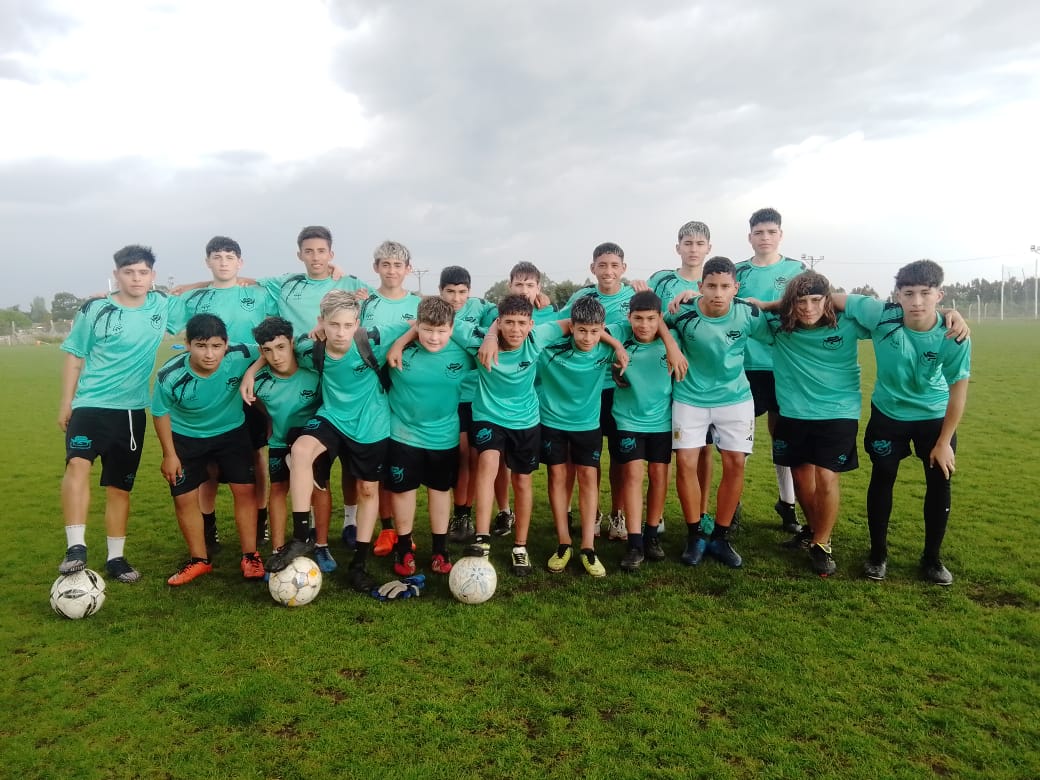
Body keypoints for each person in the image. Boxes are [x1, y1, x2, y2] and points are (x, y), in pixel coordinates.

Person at [257, 291, 405, 593]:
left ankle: (359, 564)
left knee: (367, 490)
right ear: (321, 322)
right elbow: (274, 349)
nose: (341, 332)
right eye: (334, 324)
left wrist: (401, 344)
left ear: (358, 324)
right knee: (301, 450)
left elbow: (418, 324)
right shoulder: (309, 347)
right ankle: (301, 537)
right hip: (333, 417)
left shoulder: (373, 340)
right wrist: (250, 374)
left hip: (371, 423)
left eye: (348, 325)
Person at [842, 260, 971, 585]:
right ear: (897, 294)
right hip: (888, 415)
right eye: (909, 293)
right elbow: (829, 298)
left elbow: (959, 392)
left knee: (939, 482)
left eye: (925, 293)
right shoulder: (880, 314)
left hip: (934, 417)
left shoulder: (954, 334)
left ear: (939, 295)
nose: (916, 301)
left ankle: (932, 559)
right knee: (882, 478)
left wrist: (944, 442)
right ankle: (877, 555)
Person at [57, 244, 173, 583]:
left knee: (119, 486)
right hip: (90, 404)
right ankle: (75, 548)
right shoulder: (95, 309)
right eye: (129, 272)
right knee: (77, 464)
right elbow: (75, 355)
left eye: (143, 272)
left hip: (131, 411)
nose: (136, 278)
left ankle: (116, 558)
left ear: (152, 276)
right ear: (116, 275)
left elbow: (194, 294)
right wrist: (66, 401)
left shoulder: (162, 305)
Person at [758, 272, 870, 576]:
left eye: (815, 300)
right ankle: (813, 530)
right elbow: (730, 310)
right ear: (790, 304)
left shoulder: (848, 323)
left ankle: (821, 544)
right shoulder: (778, 326)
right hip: (793, 412)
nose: (808, 308)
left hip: (838, 412)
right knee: (801, 477)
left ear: (827, 300)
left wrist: (947, 313)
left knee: (826, 475)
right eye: (801, 302)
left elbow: (902, 316)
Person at [168, 236, 275, 555]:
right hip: (209, 390)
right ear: (208, 262)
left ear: (240, 262)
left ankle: (260, 521)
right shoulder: (194, 298)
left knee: (255, 457)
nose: (224, 262)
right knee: (209, 465)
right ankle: (208, 526)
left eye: (230, 257)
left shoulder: (258, 294)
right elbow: (159, 310)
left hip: (251, 386)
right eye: (217, 257)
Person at [666, 256, 771, 569]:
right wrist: (672, 345)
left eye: (725, 286)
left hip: (735, 398)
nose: (718, 292)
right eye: (711, 286)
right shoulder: (684, 310)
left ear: (735, 288)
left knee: (735, 463)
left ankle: (721, 538)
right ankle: (695, 535)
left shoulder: (748, 313)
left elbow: (778, 332)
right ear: (700, 286)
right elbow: (654, 322)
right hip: (690, 397)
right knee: (685, 462)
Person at [151, 314, 264, 586]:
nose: (210, 354)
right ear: (187, 345)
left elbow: (268, 349)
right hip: (187, 437)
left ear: (226, 344)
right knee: (183, 498)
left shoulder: (240, 354)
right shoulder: (170, 375)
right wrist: (169, 454)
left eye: (216, 346)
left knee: (245, 491)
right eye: (201, 346)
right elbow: (159, 412)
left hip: (232, 433)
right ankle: (199, 560)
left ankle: (250, 556)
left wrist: (251, 372)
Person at [458, 294, 561, 575]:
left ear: (531, 324)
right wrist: (490, 336)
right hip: (488, 416)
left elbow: (570, 324)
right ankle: (482, 539)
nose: (516, 329)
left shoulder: (537, 338)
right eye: (509, 322)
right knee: (487, 464)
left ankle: (520, 546)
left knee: (522, 481)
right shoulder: (477, 339)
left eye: (521, 323)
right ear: (499, 322)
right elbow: (433, 323)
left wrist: (617, 346)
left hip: (526, 421)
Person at [382, 296, 476, 576]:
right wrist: (402, 340)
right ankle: (404, 549)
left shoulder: (464, 350)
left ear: (452, 328)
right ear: (417, 326)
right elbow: (357, 336)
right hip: (402, 432)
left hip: (444, 435)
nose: (434, 338)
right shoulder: (397, 342)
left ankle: (440, 550)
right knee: (403, 491)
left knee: (440, 491)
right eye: (427, 330)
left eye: (442, 331)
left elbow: (499, 339)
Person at [536, 296, 627, 577]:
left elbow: (651, 323)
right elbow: (525, 333)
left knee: (588, 477)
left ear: (602, 329)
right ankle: (564, 543)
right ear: (571, 327)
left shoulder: (605, 347)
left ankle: (588, 547)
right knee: (557, 476)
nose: (588, 338)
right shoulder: (550, 346)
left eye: (595, 331)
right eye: (582, 330)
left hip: (588, 425)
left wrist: (616, 345)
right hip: (552, 422)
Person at [734, 208, 807, 533]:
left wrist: (765, 306)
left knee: (783, 439)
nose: (765, 238)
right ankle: (732, 506)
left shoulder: (796, 270)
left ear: (780, 235)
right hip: (744, 366)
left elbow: (814, 304)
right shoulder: (737, 271)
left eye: (771, 232)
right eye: (759, 232)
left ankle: (787, 504)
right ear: (749, 237)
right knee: (739, 440)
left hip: (784, 365)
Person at [558, 242, 636, 540]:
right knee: (586, 458)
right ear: (593, 268)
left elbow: (654, 322)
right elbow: (561, 323)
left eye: (614, 265)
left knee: (619, 456)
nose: (608, 271)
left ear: (624, 268)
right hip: (587, 389)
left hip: (620, 388)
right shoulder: (581, 297)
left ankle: (618, 514)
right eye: (602, 265)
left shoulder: (633, 296)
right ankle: (593, 514)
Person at [246, 316, 334, 573]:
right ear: (261, 351)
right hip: (279, 440)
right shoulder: (259, 381)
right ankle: (278, 550)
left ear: (292, 343)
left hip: (312, 440)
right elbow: (257, 403)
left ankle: (321, 545)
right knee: (278, 489)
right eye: (268, 350)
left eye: (281, 347)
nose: (275, 356)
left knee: (319, 488)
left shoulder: (313, 371)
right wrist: (269, 420)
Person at [647, 220, 715, 533]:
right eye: (688, 244)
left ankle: (703, 512)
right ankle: (656, 514)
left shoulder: (714, 282)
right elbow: (649, 316)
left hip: (703, 376)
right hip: (663, 371)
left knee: (703, 449)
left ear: (709, 248)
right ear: (678, 248)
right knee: (661, 446)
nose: (693, 250)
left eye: (699, 244)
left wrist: (697, 296)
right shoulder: (661, 281)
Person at [484, 261, 558, 537]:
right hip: (499, 400)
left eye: (530, 285)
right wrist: (491, 334)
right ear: (510, 285)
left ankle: (562, 514)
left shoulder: (549, 313)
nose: (524, 290)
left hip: (538, 401)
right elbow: (489, 328)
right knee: (497, 461)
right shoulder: (494, 314)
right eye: (519, 284)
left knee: (533, 466)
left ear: (539, 287)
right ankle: (504, 511)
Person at [611, 292, 683, 571]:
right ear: (628, 317)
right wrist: (615, 346)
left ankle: (651, 534)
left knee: (658, 475)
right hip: (627, 419)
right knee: (632, 474)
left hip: (662, 420)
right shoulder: (621, 333)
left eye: (651, 319)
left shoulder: (672, 339)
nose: (644, 325)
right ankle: (634, 542)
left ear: (660, 319)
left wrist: (670, 343)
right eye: (638, 318)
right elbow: (592, 330)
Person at [358, 240, 421, 557]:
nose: (392, 271)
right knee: (381, 463)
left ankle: (406, 530)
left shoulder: (419, 304)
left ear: (408, 269)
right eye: (386, 264)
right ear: (376, 268)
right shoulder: (365, 303)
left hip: (408, 391)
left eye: (398, 265)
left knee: (404, 463)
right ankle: (386, 529)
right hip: (374, 391)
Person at [437, 266, 498, 544]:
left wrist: (490, 335)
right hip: (447, 396)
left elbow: (501, 318)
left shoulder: (482, 307)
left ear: (470, 291)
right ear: (440, 291)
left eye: (462, 292)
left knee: (473, 458)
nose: (456, 298)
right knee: (459, 458)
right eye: (450, 291)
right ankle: (457, 511)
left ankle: (464, 514)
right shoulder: (435, 311)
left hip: (476, 396)